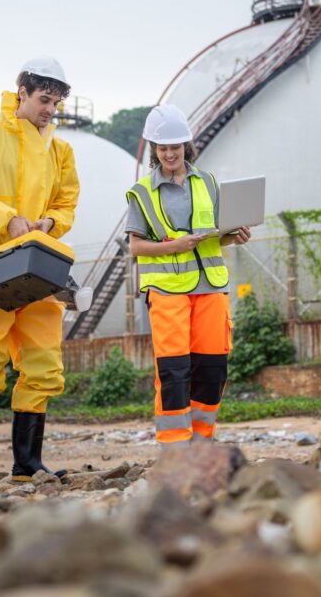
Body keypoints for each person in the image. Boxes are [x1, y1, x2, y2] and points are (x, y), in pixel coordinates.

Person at [0, 57, 79, 486]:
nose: (50, 109)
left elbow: (66, 204)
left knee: (43, 361)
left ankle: (28, 461)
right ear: (21, 92)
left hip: (39, 268)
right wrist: (6, 219)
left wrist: (50, 224)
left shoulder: (61, 151)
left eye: (56, 102)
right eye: (44, 99)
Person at [125, 104, 250, 448]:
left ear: (186, 146)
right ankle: (176, 447)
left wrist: (232, 235)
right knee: (174, 372)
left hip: (210, 285)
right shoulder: (142, 192)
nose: (169, 153)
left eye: (175, 147)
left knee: (213, 369)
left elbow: (214, 235)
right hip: (167, 290)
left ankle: (201, 443)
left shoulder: (208, 182)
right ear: (154, 149)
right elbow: (136, 247)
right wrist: (174, 246)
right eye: (163, 148)